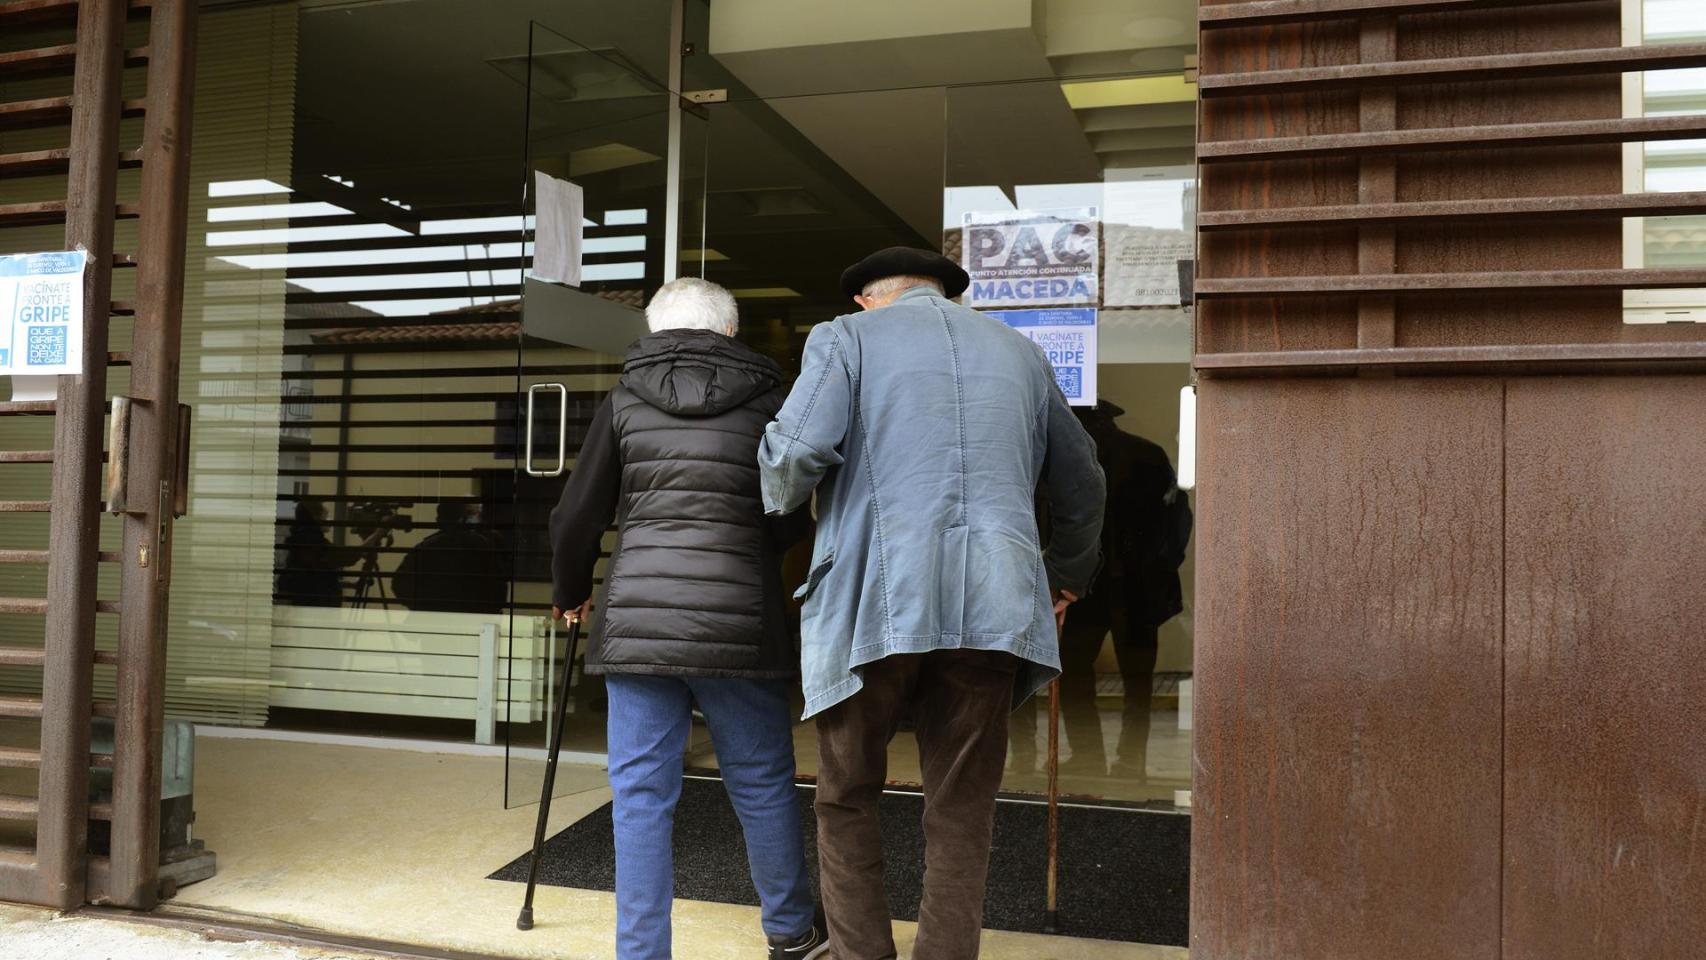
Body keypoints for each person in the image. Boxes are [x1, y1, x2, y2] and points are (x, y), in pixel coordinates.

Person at [758, 247, 1106, 960]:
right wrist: (1065, 576)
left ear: (865, 299)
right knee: (962, 805)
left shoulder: (844, 339)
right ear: (945, 294)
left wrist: (777, 491)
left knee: (847, 791)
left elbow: (793, 460)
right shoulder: (1019, 352)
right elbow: (1084, 482)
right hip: (995, 603)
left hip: (872, 604)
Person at [548, 277, 828, 960]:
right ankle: (791, 932)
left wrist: (570, 590)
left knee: (641, 794)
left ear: (654, 331)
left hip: (640, 622)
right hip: (739, 621)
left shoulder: (623, 401)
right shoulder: (772, 401)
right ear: (730, 332)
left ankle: (642, 953)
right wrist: (750, 551)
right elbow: (793, 512)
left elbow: (576, 515)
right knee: (761, 781)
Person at [1009, 401, 1193, 783]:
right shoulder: (1146, 454)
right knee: (1132, 681)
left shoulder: (1064, 464)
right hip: (1128, 587)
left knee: (1080, 675)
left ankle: (1089, 754)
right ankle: (1127, 760)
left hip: (1090, 588)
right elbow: (1177, 521)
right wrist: (1160, 568)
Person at [391, 501, 506, 614]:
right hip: (473, 623)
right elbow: (498, 591)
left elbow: (400, 586)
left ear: (439, 520)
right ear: (464, 519)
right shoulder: (482, 546)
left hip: (430, 622)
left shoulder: (425, 548)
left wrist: (425, 609)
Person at [275, 498, 387, 607]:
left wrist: (349, 585)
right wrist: (379, 532)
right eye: (326, 516)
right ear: (315, 518)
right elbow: (348, 557)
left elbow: (314, 578)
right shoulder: (314, 545)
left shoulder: (302, 541)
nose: (330, 519)